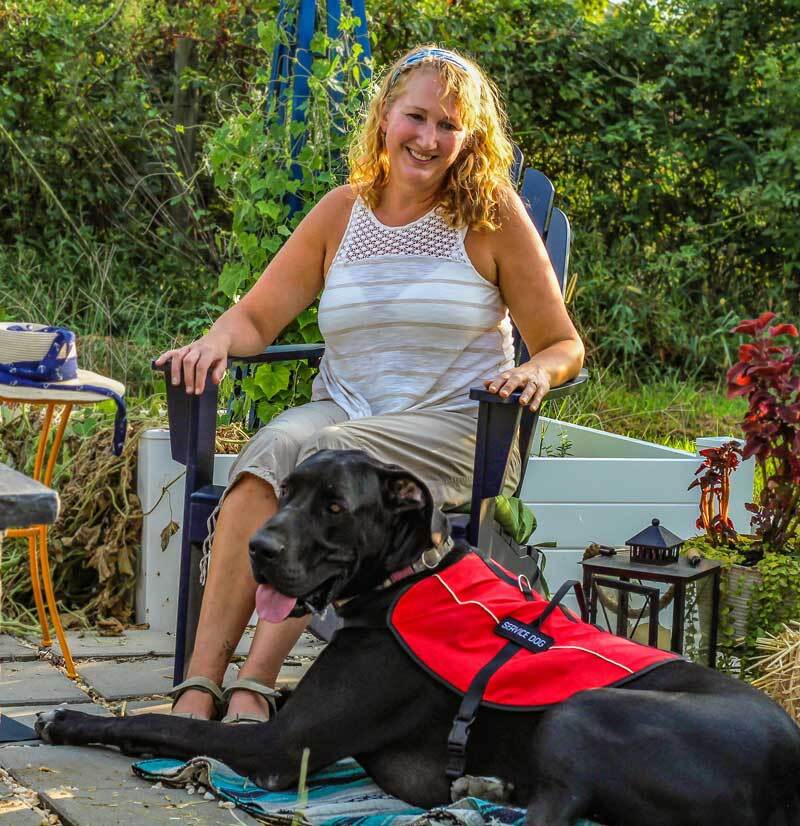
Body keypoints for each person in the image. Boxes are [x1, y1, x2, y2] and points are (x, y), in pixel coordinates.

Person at [156, 44, 585, 723]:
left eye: (449, 125)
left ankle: (255, 688)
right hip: (346, 409)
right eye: (416, 116)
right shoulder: (340, 213)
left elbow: (564, 344)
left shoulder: (492, 216)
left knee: (321, 455)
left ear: (470, 137)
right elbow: (258, 315)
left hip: (456, 428)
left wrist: (535, 368)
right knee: (268, 456)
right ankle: (198, 687)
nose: (429, 137)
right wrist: (215, 340)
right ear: (385, 116)